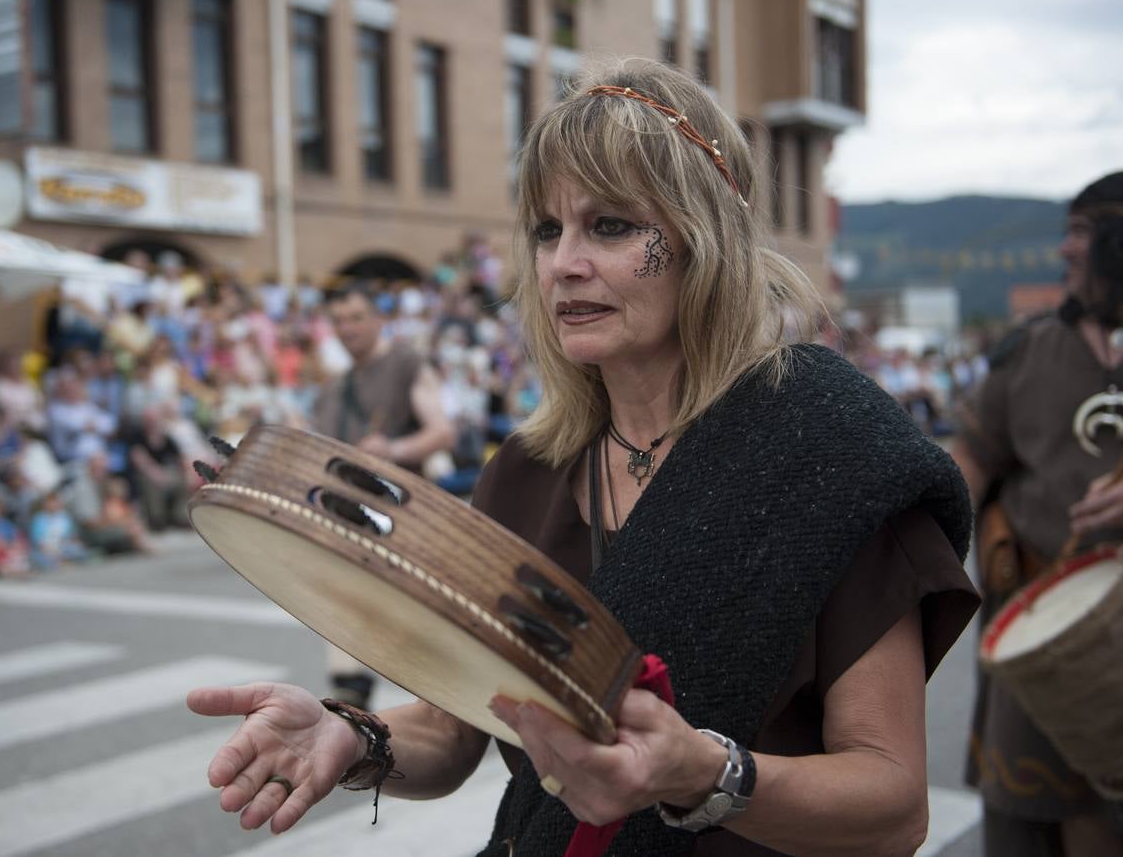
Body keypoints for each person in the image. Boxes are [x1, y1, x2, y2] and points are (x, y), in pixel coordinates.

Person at [186, 59, 980, 855]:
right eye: (546, 229)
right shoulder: (527, 472)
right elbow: (453, 731)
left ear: (706, 240)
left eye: (610, 226)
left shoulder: (828, 450)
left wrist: (703, 775)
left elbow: (894, 805)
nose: (564, 262)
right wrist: (349, 736)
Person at [952, 171, 1123, 857]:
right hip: (1044, 634)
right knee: (1034, 827)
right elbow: (969, 460)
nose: (1065, 250)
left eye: (1082, 233)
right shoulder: (1030, 351)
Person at [308, 281, 458, 709]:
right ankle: (350, 708)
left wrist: (393, 449)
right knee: (341, 608)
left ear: (378, 320)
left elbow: (442, 432)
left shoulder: (405, 363)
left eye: (356, 318)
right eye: (338, 321)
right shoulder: (332, 391)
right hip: (348, 521)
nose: (347, 328)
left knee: (417, 636)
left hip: (403, 517)